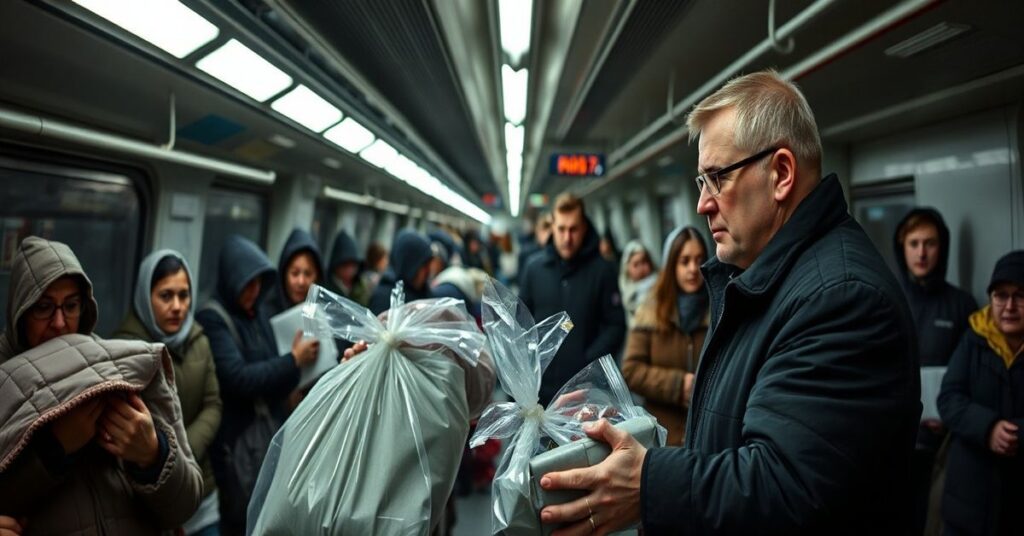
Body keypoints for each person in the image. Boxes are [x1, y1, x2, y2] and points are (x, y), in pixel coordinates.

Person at [537, 70, 919, 534]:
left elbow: (786, 486)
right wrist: (630, 437)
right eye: (700, 181)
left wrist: (648, 482)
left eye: (716, 178)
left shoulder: (840, 299)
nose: (702, 204)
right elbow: (736, 444)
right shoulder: (767, 280)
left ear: (780, 173)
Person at [0, 236, 202, 534]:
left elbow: (185, 504)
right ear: (20, 311)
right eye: (43, 307)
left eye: (71, 305)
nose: (59, 322)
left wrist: (152, 454)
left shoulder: (116, 369)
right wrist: (54, 450)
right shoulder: (5, 383)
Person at [194, 235, 318, 535]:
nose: (254, 291)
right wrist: (292, 361)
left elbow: (267, 365)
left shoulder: (258, 313)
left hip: (268, 432)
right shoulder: (214, 319)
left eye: (259, 284)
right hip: (238, 443)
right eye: (247, 284)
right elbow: (239, 377)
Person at [114, 250, 223, 535]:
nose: (177, 306)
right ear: (145, 298)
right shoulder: (125, 350)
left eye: (184, 295)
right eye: (166, 296)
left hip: (203, 492)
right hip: (149, 498)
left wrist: (184, 454)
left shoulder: (198, 339)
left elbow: (214, 404)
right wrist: (170, 460)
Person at [894, 208, 977, 535]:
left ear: (942, 247)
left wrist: (953, 417)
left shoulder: (962, 305)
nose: (922, 252)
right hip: (897, 442)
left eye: (929, 243)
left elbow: (973, 377)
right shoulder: (889, 299)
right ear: (902, 248)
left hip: (948, 445)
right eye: (913, 243)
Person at [937, 251, 1024, 536]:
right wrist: (989, 428)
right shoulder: (974, 338)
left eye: (1020, 295)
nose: (1010, 306)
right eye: (1001, 295)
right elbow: (949, 398)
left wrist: (1016, 434)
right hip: (969, 504)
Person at [519, 192, 626, 406]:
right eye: (561, 229)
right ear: (552, 228)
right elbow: (521, 324)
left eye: (573, 229)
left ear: (584, 228)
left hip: (587, 390)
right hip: (540, 390)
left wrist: (587, 362)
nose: (567, 238)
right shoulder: (534, 268)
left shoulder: (603, 270)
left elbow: (615, 325)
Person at [622, 227, 708, 445]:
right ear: (671, 266)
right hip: (664, 435)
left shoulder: (719, 308)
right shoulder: (651, 310)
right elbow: (631, 371)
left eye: (699, 260)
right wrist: (678, 386)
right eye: (684, 261)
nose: (693, 269)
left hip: (709, 434)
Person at [368, 229, 435, 315]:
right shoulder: (384, 298)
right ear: (410, 264)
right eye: (424, 265)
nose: (428, 271)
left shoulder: (426, 296)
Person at [267, 228, 324, 316]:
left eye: (308, 274)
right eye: (294, 273)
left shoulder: (323, 316)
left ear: (317, 276)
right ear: (283, 274)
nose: (301, 282)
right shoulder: (263, 316)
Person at [324, 229, 371, 307]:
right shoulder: (327, 287)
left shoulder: (359, 287)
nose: (350, 270)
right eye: (345, 265)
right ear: (336, 265)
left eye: (353, 265)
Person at [618, 240, 658, 327]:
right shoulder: (626, 292)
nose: (641, 268)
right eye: (636, 264)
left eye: (644, 262)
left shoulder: (660, 286)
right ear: (627, 268)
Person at [518, 213, 552, 288]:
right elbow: (521, 282)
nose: (547, 233)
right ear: (537, 231)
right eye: (543, 229)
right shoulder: (526, 253)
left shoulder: (558, 255)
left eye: (549, 229)